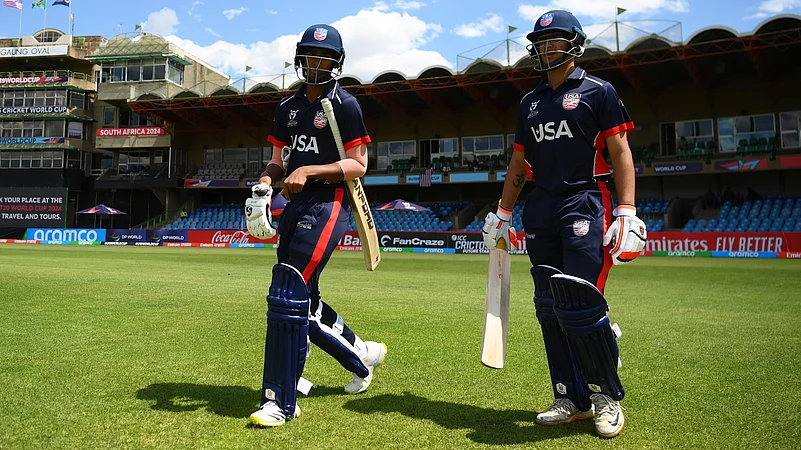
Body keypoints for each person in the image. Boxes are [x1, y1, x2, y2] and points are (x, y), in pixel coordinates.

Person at [481, 10, 646, 439]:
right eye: (541, 42)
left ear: (575, 44)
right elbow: (520, 162)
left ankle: (606, 397)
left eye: (555, 40)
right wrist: (502, 212)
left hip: (585, 201)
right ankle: (570, 397)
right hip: (541, 206)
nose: (547, 48)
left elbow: (621, 151)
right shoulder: (529, 102)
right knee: (549, 307)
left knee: (580, 304)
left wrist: (627, 210)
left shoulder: (599, 91)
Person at [244, 23, 387, 428]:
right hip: (293, 205)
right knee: (305, 298)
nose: (316, 62)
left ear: (336, 62)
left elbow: (358, 165)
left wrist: (310, 170)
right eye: (310, 55)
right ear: (300, 58)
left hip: (329, 203)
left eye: (324, 56)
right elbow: (278, 160)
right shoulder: (286, 107)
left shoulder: (345, 105)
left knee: (288, 292)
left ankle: (280, 400)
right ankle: (361, 355)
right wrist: (265, 182)